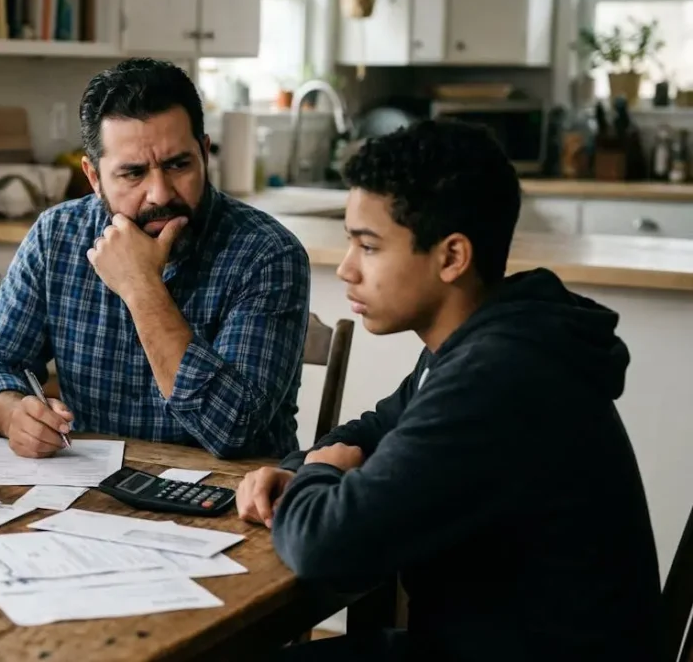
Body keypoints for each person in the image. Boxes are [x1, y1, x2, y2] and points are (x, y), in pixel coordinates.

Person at [236, 120, 661, 661]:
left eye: (368, 247)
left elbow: (325, 549)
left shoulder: (501, 373)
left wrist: (317, 474)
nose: (346, 269)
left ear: (452, 257)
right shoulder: (482, 340)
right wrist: (302, 469)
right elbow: (370, 431)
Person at [0, 58, 311, 461]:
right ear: (93, 177)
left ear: (205, 152)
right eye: (133, 174)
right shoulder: (56, 235)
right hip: (92, 493)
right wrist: (12, 415)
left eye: (179, 165)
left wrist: (141, 286)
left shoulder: (267, 254)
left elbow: (232, 429)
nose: (160, 194)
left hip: (235, 501)